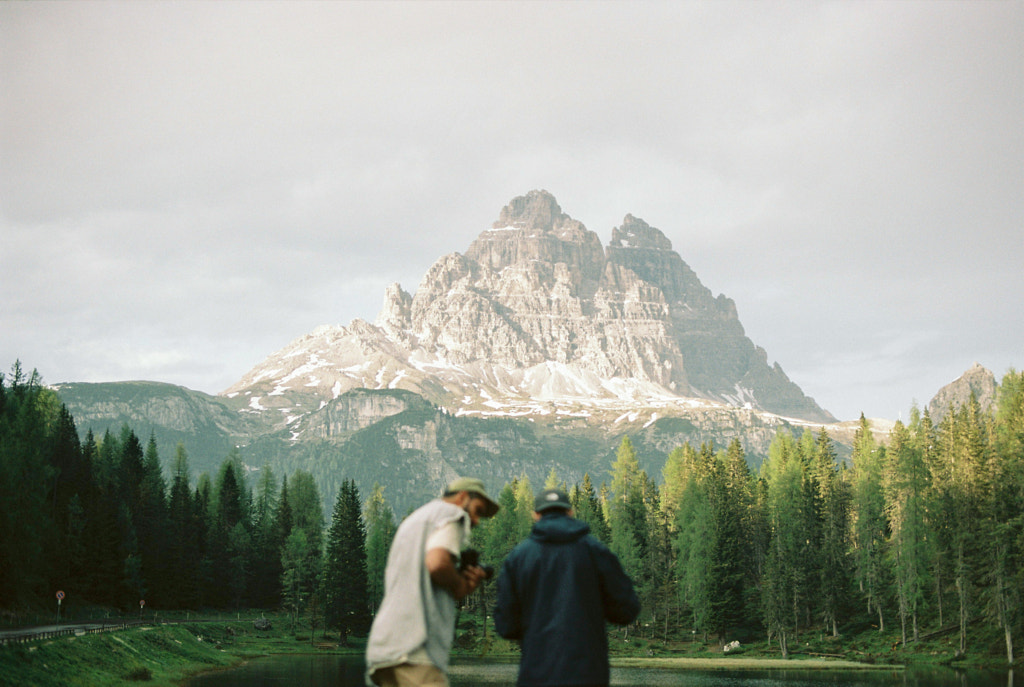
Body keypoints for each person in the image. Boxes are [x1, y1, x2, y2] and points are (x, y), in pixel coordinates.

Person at [494, 487, 640, 687]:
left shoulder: (518, 558)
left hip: (536, 674)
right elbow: (626, 611)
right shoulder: (596, 551)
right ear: (570, 512)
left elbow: (506, 626)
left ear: (535, 515)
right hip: (588, 675)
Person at [365, 477, 499, 687]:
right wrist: (460, 585)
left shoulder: (415, 521)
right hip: (416, 649)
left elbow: (425, 572)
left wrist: (456, 581)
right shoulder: (452, 514)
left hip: (385, 649)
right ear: (463, 497)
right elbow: (437, 563)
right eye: (477, 510)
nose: (476, 520)